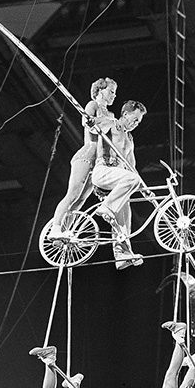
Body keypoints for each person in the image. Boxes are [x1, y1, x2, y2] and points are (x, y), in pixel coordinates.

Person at [49, 78, 116, 236]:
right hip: (88, 154)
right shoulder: (94, 105)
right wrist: (103, 122)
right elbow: (87, 124)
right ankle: (55, 228)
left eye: (114, 92)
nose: (114, 95)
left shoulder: (111, 114)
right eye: (111, 91)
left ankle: (65, 231)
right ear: (100, 91)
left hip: (99, 161)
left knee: (80, 200)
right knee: (73, 194)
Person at [90, 99, 146, 269]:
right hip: (104, 172)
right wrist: (91, 121)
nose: (136, 123)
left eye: (139, 121)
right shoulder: (112, 124)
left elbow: (132, 167)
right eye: (135, 119)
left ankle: (122, 255)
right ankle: (107, 207)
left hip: (117, 181)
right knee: (131, 180)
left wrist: (145, 190)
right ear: (125, 114)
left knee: (124, 220)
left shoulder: (129, 138)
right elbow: (93, 124)